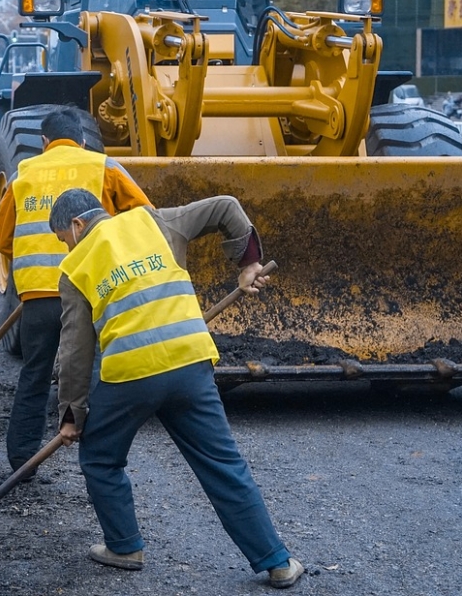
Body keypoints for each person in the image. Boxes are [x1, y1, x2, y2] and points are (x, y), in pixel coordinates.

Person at [48, 188, 304, 590]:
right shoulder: (155, 219)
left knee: (99, 458)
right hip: (190, 365)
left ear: (77, 224)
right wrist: (248, 263)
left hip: (130, 377)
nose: (66, 246)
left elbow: (76, 349)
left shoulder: (75, 266)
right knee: (223, 465)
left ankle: (125, 547)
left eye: (63, 237)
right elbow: (226, 206)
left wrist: (71, 415)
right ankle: (277, 561)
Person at [0, 106, 152, 476]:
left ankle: (22, 460)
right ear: (81, 139)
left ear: (44, 142)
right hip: (92, 290)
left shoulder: (23, 174)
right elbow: (145, 217)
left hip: (38, 299)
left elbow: (2, 239)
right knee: (94, 374)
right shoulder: (104, 167)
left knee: (34, 373)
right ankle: (99, 456)